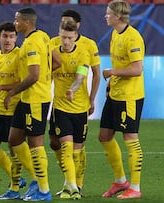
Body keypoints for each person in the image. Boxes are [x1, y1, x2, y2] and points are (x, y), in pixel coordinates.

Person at [1, 8, 52, 201]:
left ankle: (44, 190)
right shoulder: (43, 37)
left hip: (35, 99)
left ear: (26, 22)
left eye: (17, 20)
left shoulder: (31, 43)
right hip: (28, 99)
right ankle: (34, 181)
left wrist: (12, 92)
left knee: (35, 143)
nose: (15, 23)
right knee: (14, 139)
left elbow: (34, 75)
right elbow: (54, 62)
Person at [49, 9, 101, 196]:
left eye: (70, 38)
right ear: (59, 34)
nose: (66, 41)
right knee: (64, 146)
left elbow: (82, 75)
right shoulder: (52, 47)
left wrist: (76, 89)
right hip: (60, 106)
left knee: (77, 150)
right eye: (63, 37)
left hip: (79, 106)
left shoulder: (84, 51)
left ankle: (76, 185)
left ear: (75, 35)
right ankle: (68, 185)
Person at [0, 22, 41, 200]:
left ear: (16, 38)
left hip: (16, 107)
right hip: (0, 109)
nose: (8, 40)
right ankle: (16, 181)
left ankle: (25, 184)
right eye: (5, 36)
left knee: (14, 147)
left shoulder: (20, 55)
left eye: (11, 36)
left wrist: (1, 87)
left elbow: (23, 81)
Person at [100, 0, 144, 199]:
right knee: (104, 136)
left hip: (129, 97)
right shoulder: (115, 33)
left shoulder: (133, 37)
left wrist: (112, 72)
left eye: (108, 13)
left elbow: (137, 69)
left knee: (130, 138)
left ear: (118, 16)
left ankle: (135, 187)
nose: (105, 15)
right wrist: (112, 81)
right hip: (115, 93)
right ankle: (120, 181)